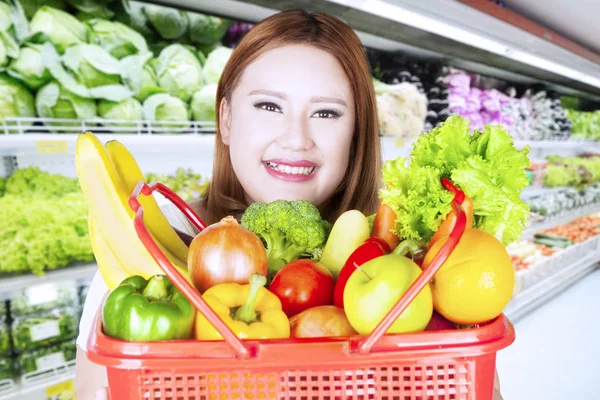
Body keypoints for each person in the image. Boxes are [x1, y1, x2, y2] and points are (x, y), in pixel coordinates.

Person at [75, 9, 503, 400]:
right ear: (225, 119)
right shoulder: (149, 246)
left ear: (357, 131)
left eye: (327, 114)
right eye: (268, 105)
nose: (296, 138)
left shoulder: (418, 261)